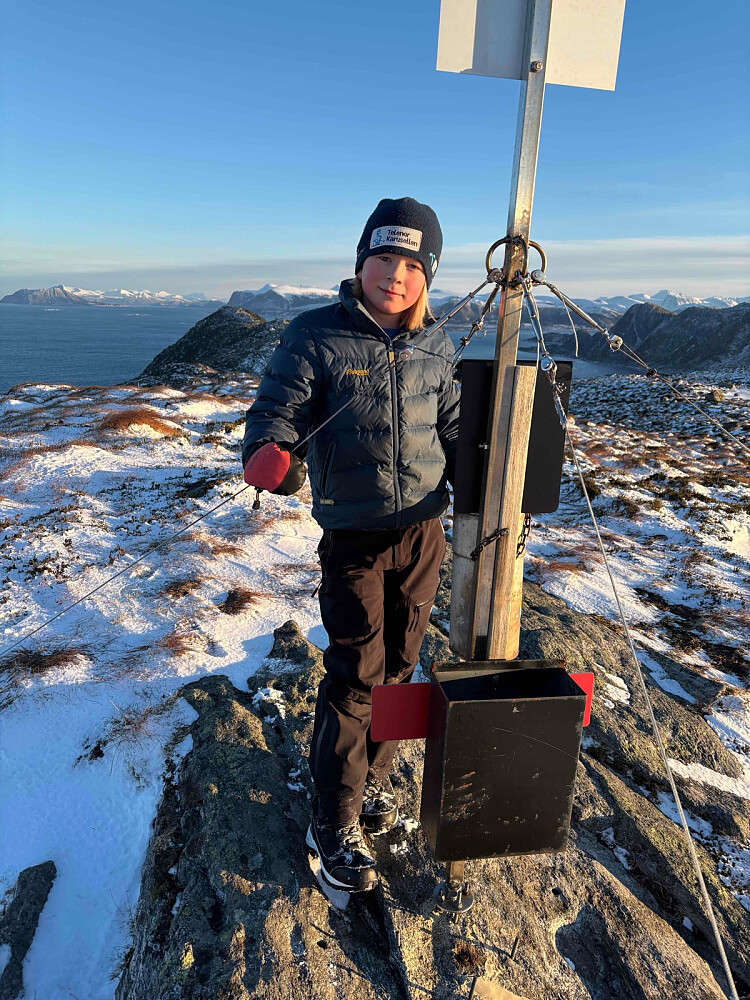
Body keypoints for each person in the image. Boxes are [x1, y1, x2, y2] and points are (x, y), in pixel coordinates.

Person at [241, 197, 460, 892]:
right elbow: (276, 409)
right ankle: (333, 817)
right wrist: (270, 454)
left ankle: (372, 785)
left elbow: (452, 424)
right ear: (361, 263)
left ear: (428, 275)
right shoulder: (315, 333)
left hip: (423, 531)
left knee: (401, 667)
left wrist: (487, 476)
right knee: (357, 674)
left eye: (411, 264)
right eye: (383, 258)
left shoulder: (436, 342)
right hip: (354, 538)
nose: (395, 275)